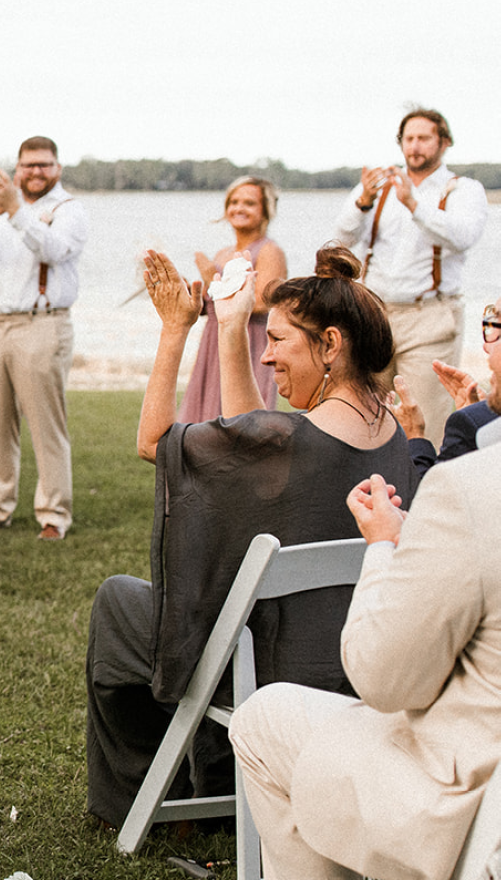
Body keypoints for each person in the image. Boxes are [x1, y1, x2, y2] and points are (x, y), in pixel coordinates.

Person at [84, 243, 418, 829]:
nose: (268, 358)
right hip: (356, 666)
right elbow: (252, 437)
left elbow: (152, 440)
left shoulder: (289, 438)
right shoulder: (394, 434)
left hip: (266, 666)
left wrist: (173, 331)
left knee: (118, 601)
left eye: (280, 340)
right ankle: (211, 780)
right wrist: (233, 326)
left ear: (332, 344)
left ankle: (144, 801)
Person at [229, 375, 501, 880]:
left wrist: (384, 548)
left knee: (264, 718)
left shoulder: (472, 487)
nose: (490, 347)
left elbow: (382, 680)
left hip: (471, 812)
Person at [0, 135, 85, 541]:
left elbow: (56, 251)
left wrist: (16, 211)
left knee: (47, 426)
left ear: (57, 169)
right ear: (17, 169)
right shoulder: (4, 210)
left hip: (41, 325)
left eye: (44, 164)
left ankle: (54, 514)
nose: (36, 172)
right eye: (28, 165)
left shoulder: (69, 210)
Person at [332, 107, 488, 445]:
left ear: (444, 142)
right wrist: (362, 202)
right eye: (408, 138)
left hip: (428, 316)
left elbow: (463, 236)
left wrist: (414, 204)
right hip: (373, 314)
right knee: (363, 410)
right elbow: (341, 240)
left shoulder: (463, 190)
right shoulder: (379, 186)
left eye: (424, 138)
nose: (414, 146)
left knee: (425, 418)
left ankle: (423, 490)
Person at [179, 176, 287, 421]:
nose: (239, 208)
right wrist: (191, 291)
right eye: (234, 202)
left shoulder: (270, 251)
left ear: (265, 210)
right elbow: (211, 304)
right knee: (207, 416)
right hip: (214, 340)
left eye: (249, 203)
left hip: (249, 342)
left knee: (243, 419)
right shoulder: (223, 253)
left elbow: (262, 303)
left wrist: (213, 278)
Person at [396, 297, 501, 477]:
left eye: (497, 328)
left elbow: (427, 500)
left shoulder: (469, 425)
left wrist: (414, 438)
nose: (485, 346)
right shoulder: (480, 424)